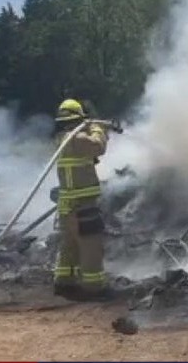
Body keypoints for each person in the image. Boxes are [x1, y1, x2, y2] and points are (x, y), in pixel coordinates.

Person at [51, 98, 113, 301]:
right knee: (90, 246)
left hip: (67, 206)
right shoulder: (76, 139)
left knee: (69, 245)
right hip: (83, 205)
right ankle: (94, 286)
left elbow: (88, 157)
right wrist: (97, 128)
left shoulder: (62, 139)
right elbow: (98, 147)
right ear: (78, 119)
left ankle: (64, 282)